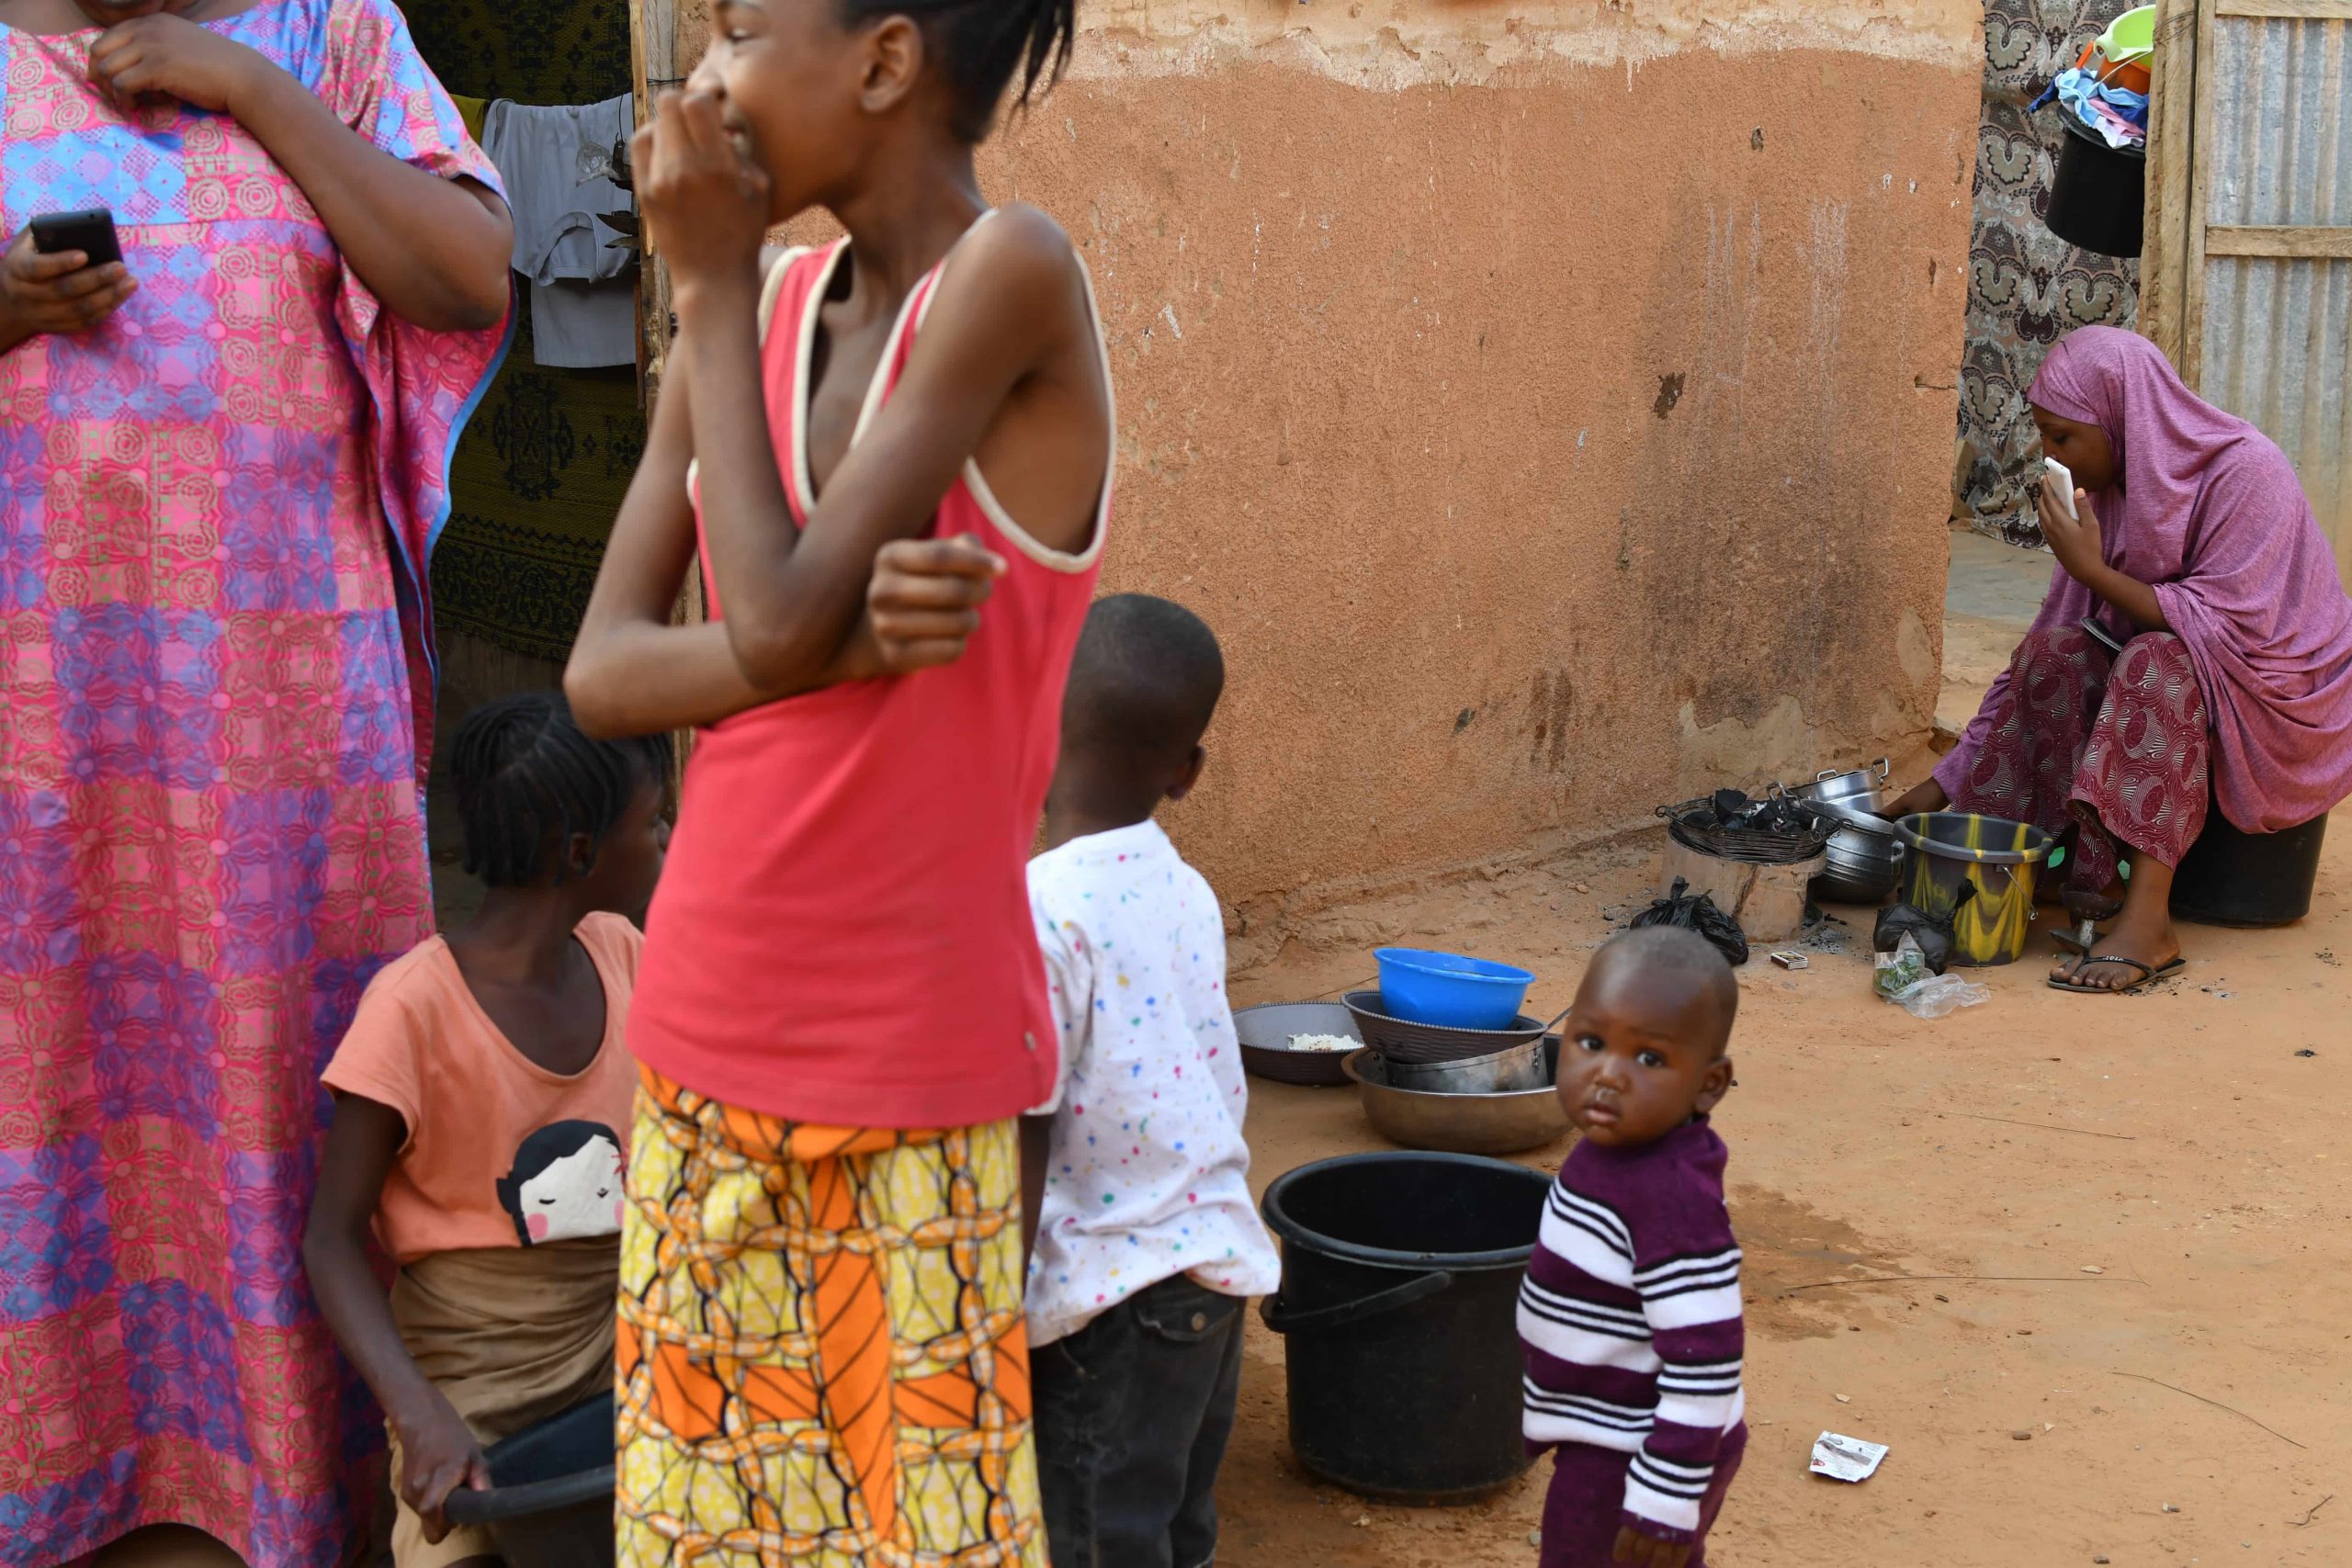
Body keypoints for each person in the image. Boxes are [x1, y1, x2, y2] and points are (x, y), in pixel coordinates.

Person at [558, 0, 1111, 1554]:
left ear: (880, 62)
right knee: (707, 1526)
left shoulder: (1009, 275)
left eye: (739, 30)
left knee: (918, 1534)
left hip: (908, 1078)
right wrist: (839, 655)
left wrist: (709, 285)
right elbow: (604, 674)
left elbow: (777, 603)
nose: (705, 77)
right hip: (698, 1045)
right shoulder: (765, 309)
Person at [0, 0, 511, 1557]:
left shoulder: (332, 27)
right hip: (43, 723)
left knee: (293, 1087)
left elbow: (465, 275)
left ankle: (294, 1491)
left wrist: (250, 88)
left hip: (279, 737)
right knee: (49, 1070)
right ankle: (67, 1481)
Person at [302, 694, 668, 1567]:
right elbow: (331, 1241)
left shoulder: (623, 954)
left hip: (620, 1350)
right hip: (471, 1382)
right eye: (652, 821)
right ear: (581, 852)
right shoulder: (413, 1011)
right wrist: (418, 1411)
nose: (666, 836)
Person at [1888, 327, 2352, 994]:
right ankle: (2056, 877)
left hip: (2282, 699)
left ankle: (2148, 922)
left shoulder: (2249, 472)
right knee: (2054, 654)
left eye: (2063, 437)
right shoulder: (2111, 496)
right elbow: (2047, 642)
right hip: (2199, 688)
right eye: (2044, 435)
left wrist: (2091, 568)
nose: (2049, 454)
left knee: (2155, 662)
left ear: (2122, 419)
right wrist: (1935, 791)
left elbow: (2229, 632)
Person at [1022, 595, 1281, 1568]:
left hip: (1108, 1297)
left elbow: (1025, 1120)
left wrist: (987, 1306)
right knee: (1174, 1526)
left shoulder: (1040, 910)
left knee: (1096, 1540)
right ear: (1186, 772)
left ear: (1033, 713)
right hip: (1209, 1273)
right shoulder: (1185, 888)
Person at [1520, 928, 1745, 1568]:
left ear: (1709, 1084)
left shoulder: (1671, 1197)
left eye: (1649, 1058)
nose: (1608, 1076)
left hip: (1638, 1453)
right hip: (1616, 1430)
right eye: (1591, 1043)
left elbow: (1708, 1358)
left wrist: (1664, 1499)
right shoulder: (1615, 1148)